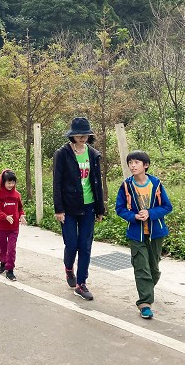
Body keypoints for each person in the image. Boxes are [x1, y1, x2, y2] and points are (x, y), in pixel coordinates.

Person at [52, 117, 106, 301]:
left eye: (85, 134)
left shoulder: (92, 154)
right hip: (68, 207)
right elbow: (57, 183)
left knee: (85, 246)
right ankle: (69, 267)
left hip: (89, 206)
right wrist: (59, 209)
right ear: (72, 135)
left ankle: (81, 283)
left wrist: (100, 208)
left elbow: (96, 183)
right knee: (72, 244)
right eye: (79, 134)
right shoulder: (62, 154)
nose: (83, 137)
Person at [115, 150, 173, 319]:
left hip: (156, 232)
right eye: (130, 163)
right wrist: (133, 216)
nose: (132, 166)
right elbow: (120, 209)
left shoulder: (156, 184)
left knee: (153, 269)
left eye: (136, 162)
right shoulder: (126, 186)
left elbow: (167, 207)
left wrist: (150, 213)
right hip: (136, 233)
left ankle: (147, 289)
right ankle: (145, 303)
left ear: (145, 165)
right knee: (141, 268)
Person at [0, 168, 26, 281]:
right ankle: (3, 262)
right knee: (3, 248)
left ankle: (10, 270)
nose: (11, 185)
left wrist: (22, 216)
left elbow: (20, 208)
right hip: (2, 226)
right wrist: (5, 217)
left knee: (11, 249)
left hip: (14, 227)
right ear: (3, 182)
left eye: (13, 182)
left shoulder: (17, 195)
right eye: (9, 182)